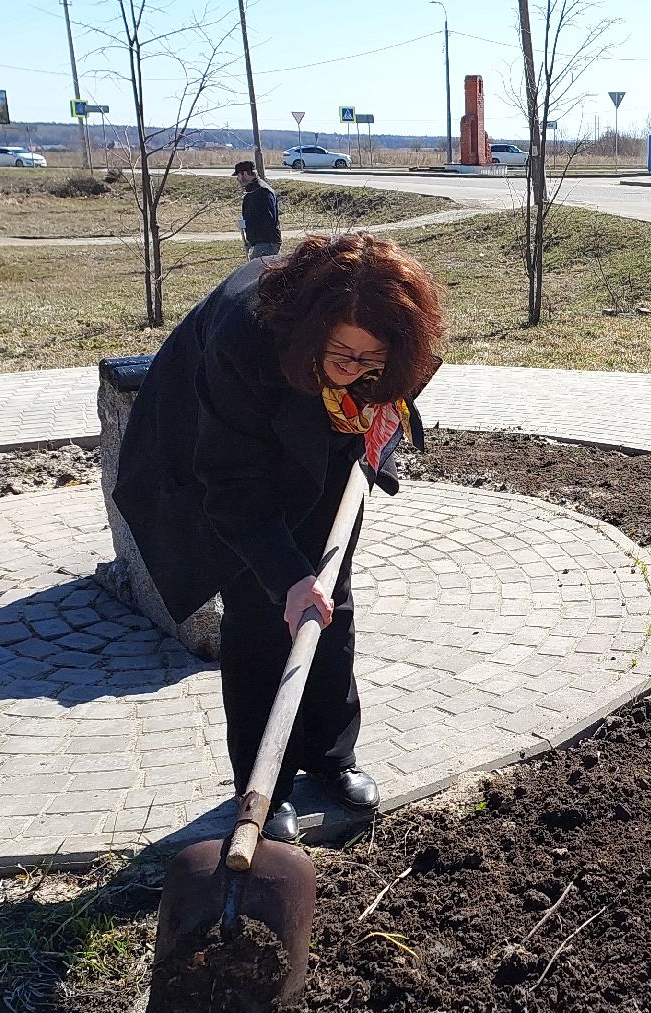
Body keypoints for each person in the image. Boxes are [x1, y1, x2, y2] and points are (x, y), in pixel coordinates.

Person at [112, 232, 445, 839]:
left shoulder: (382, 350)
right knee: (263, 607)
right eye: (344, 356)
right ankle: (266, 781)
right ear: (314, 330)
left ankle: (331, 754)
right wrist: (285, 576)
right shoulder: (250, 336)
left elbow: (396, 389)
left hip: (321, 434)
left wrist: (378, 420)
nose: (357, 370)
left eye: (372, 361)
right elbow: (231, 480)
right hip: (215, 446)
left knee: (328, 598)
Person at [234, 160, 281, 259]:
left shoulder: (263, 192)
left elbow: (268, 219)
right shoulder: (252, 191)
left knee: (254, 271)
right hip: (260, 242)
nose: (238, 179)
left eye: (238, 175)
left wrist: (247, 223)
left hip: (267, 242)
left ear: (245, 174)